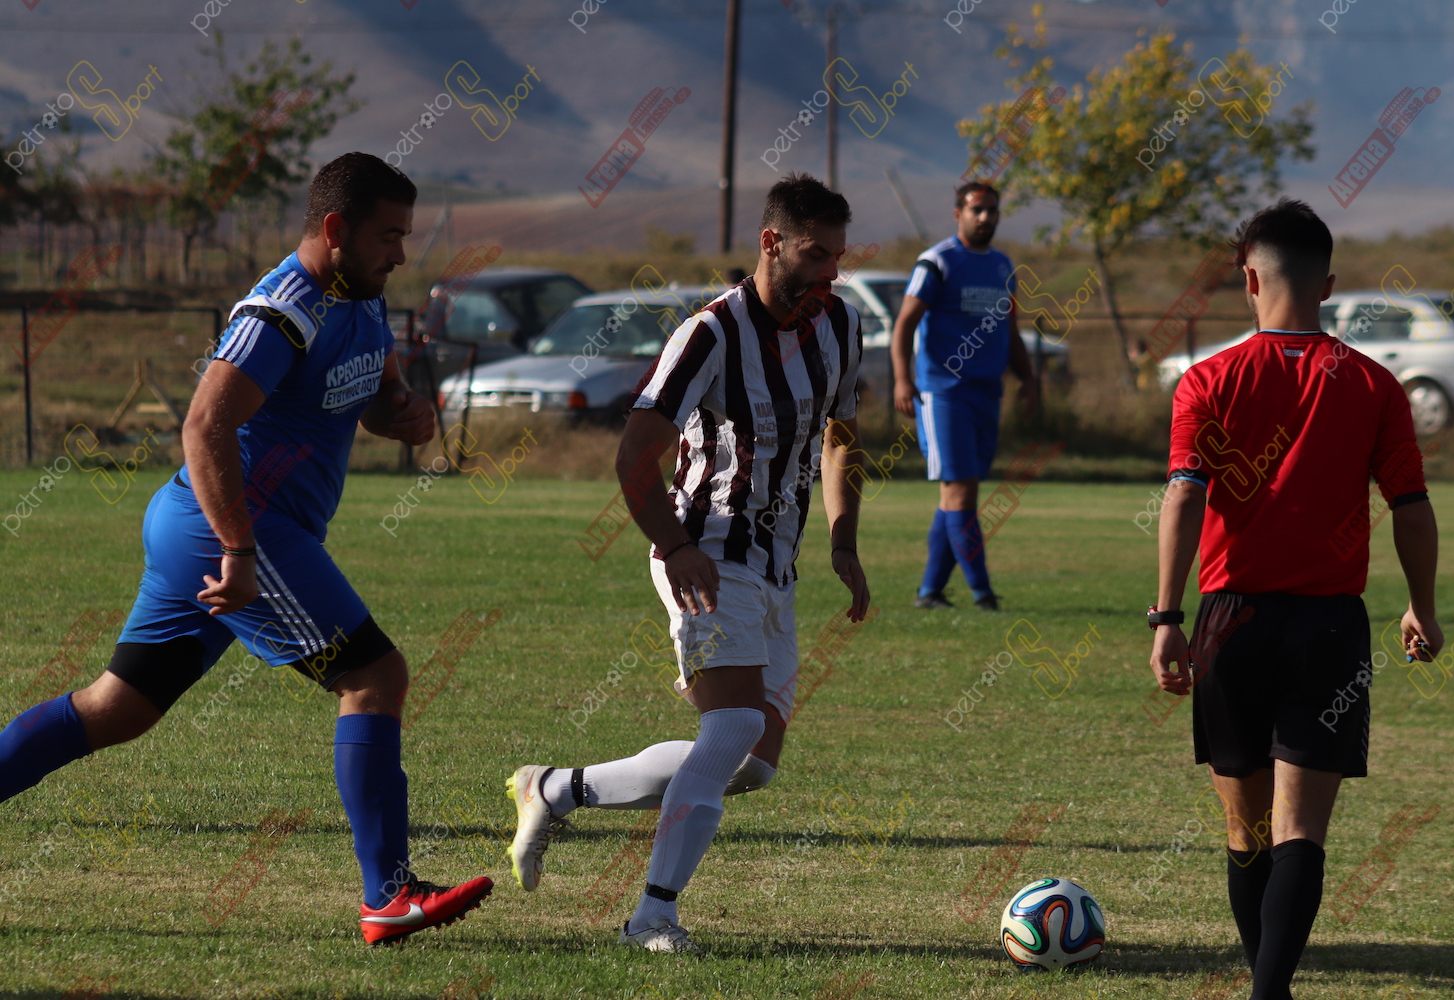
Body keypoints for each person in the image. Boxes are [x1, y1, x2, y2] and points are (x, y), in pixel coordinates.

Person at [0, 153, 493, 946]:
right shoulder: (283, 312)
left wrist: (404, 413)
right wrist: (239, 549)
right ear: (335, 229)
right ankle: (388, 896)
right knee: (374, 677)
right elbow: (204, 425)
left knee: (117, 709)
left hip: (209, 527)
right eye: (389, 235)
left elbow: (374, 394)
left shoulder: (363, 296)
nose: (402, 253)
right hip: (235, 528)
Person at [504, 173, 871, 953]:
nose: (831, 273)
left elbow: (841, 435)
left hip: (776, 567)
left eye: (839, 257)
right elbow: (635, 455)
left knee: (752, 764)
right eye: (817, 254)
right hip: (705, 551)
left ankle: (555, 788)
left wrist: (843, 540)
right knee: (732, 724)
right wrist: (675, 547)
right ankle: (652, 915)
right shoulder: (710, 334)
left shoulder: (840, 324)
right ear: (772, 243)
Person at [1148, 198, 1441, 1000]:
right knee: (1301, 831)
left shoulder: (1207, 380)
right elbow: (1411, 506)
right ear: (1329, 284)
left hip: (1229, 622)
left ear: (1249, 280)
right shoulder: (1375, 384)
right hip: (1330, 627)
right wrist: (1422, 606)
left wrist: (1167, 617)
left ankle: (1267, 991)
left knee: (1246, 833)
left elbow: (1183, 496)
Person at [890, 182, 1039, 611]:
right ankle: (983, 595)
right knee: (960, 493)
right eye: (977, 210)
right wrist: (903, 380)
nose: (986, 217)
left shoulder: (1002, 265)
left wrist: (1028, 379)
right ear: (959, 213)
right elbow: (904, 325)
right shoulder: (936, 261)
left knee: (958, 495)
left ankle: (929, 593)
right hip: (943, 394)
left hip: (986, 393)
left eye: (992, 210)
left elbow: (1010, 331)